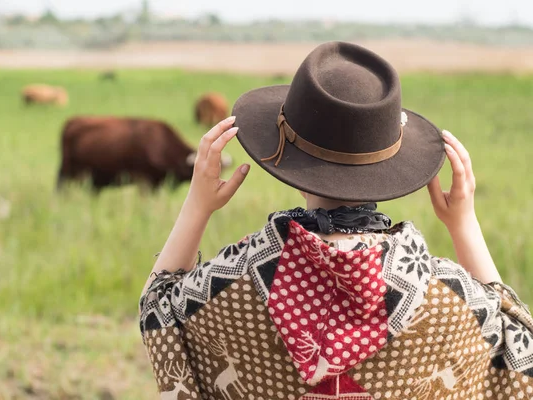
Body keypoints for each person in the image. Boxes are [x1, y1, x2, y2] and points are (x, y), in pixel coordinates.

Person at [139, 42, 533, 399]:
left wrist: (197, 206)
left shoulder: (228, 286)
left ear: (292, 168)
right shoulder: (451, 299)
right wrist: (463, 225)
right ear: (390, 163)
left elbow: (158, 311)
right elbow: (518, 342)